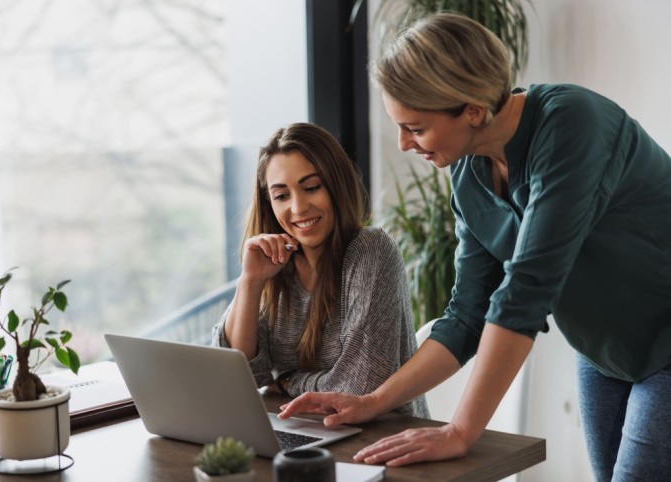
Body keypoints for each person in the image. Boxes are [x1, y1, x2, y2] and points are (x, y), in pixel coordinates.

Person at [278, 13, 671, 481]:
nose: (403, 144)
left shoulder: (574, 125)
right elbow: (467, 315)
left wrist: (461, 430)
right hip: (605, 351)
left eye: (416, 128)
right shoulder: (469, 173)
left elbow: (526, 290)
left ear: (472, 110)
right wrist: (374, 401)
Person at [211, 122, 429, 418]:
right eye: (282, 196)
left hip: (382, 437)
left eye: (311, 187)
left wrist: (289, 381)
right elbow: (237, 376)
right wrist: (250, 282)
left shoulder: (371, 250)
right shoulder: (275, 266)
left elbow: (362, 385)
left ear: (336, 184)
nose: (298, 208)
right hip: (301, 429)